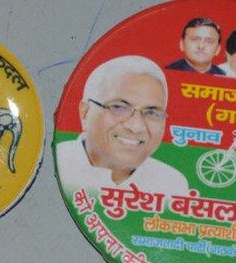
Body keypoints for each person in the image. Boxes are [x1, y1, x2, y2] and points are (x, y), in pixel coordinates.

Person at [56, 55, 188, 197]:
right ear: (85, 113)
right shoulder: (60, 163)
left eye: (151, 112)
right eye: (119, 107)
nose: (136, 126)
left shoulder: (171, 185)